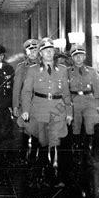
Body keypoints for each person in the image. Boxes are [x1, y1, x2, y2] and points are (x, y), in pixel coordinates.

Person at [21, 38, 72, 187]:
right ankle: (43, 172)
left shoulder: (62, 69)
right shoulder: (33, 70)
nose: (49, 53)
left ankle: (55, 175)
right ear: (40, 54)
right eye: (45, 51)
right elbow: (26, 91)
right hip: (39, 109)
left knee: (55, 140)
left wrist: (69, 112)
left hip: (58, 109)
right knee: (43, 141)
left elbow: (66, 93)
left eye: (51, 50)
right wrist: (25, 110)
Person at [68, 45, 99, 151]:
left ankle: (88, 148)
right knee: (75, 125)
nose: (78, 58)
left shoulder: (91, 71)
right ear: (72, 58)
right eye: (76, 56)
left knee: (90, 124)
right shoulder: (67, 71)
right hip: (74, 100)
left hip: (89, 100)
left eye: (81, 55)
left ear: (85, 57)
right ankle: (76, 147)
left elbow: (96, 88)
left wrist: (98, 104)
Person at [12, 39, 40, 159]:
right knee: (26, 130)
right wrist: (15, 105)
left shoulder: (45, 65)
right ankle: (25, 157)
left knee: (39, 131)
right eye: (30, 50)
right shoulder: (21, 67)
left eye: (35, 49)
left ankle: (36, 157)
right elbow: (17, 88)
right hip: (26, 103)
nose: (33, 52)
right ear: (26, 52)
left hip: (40, 103)